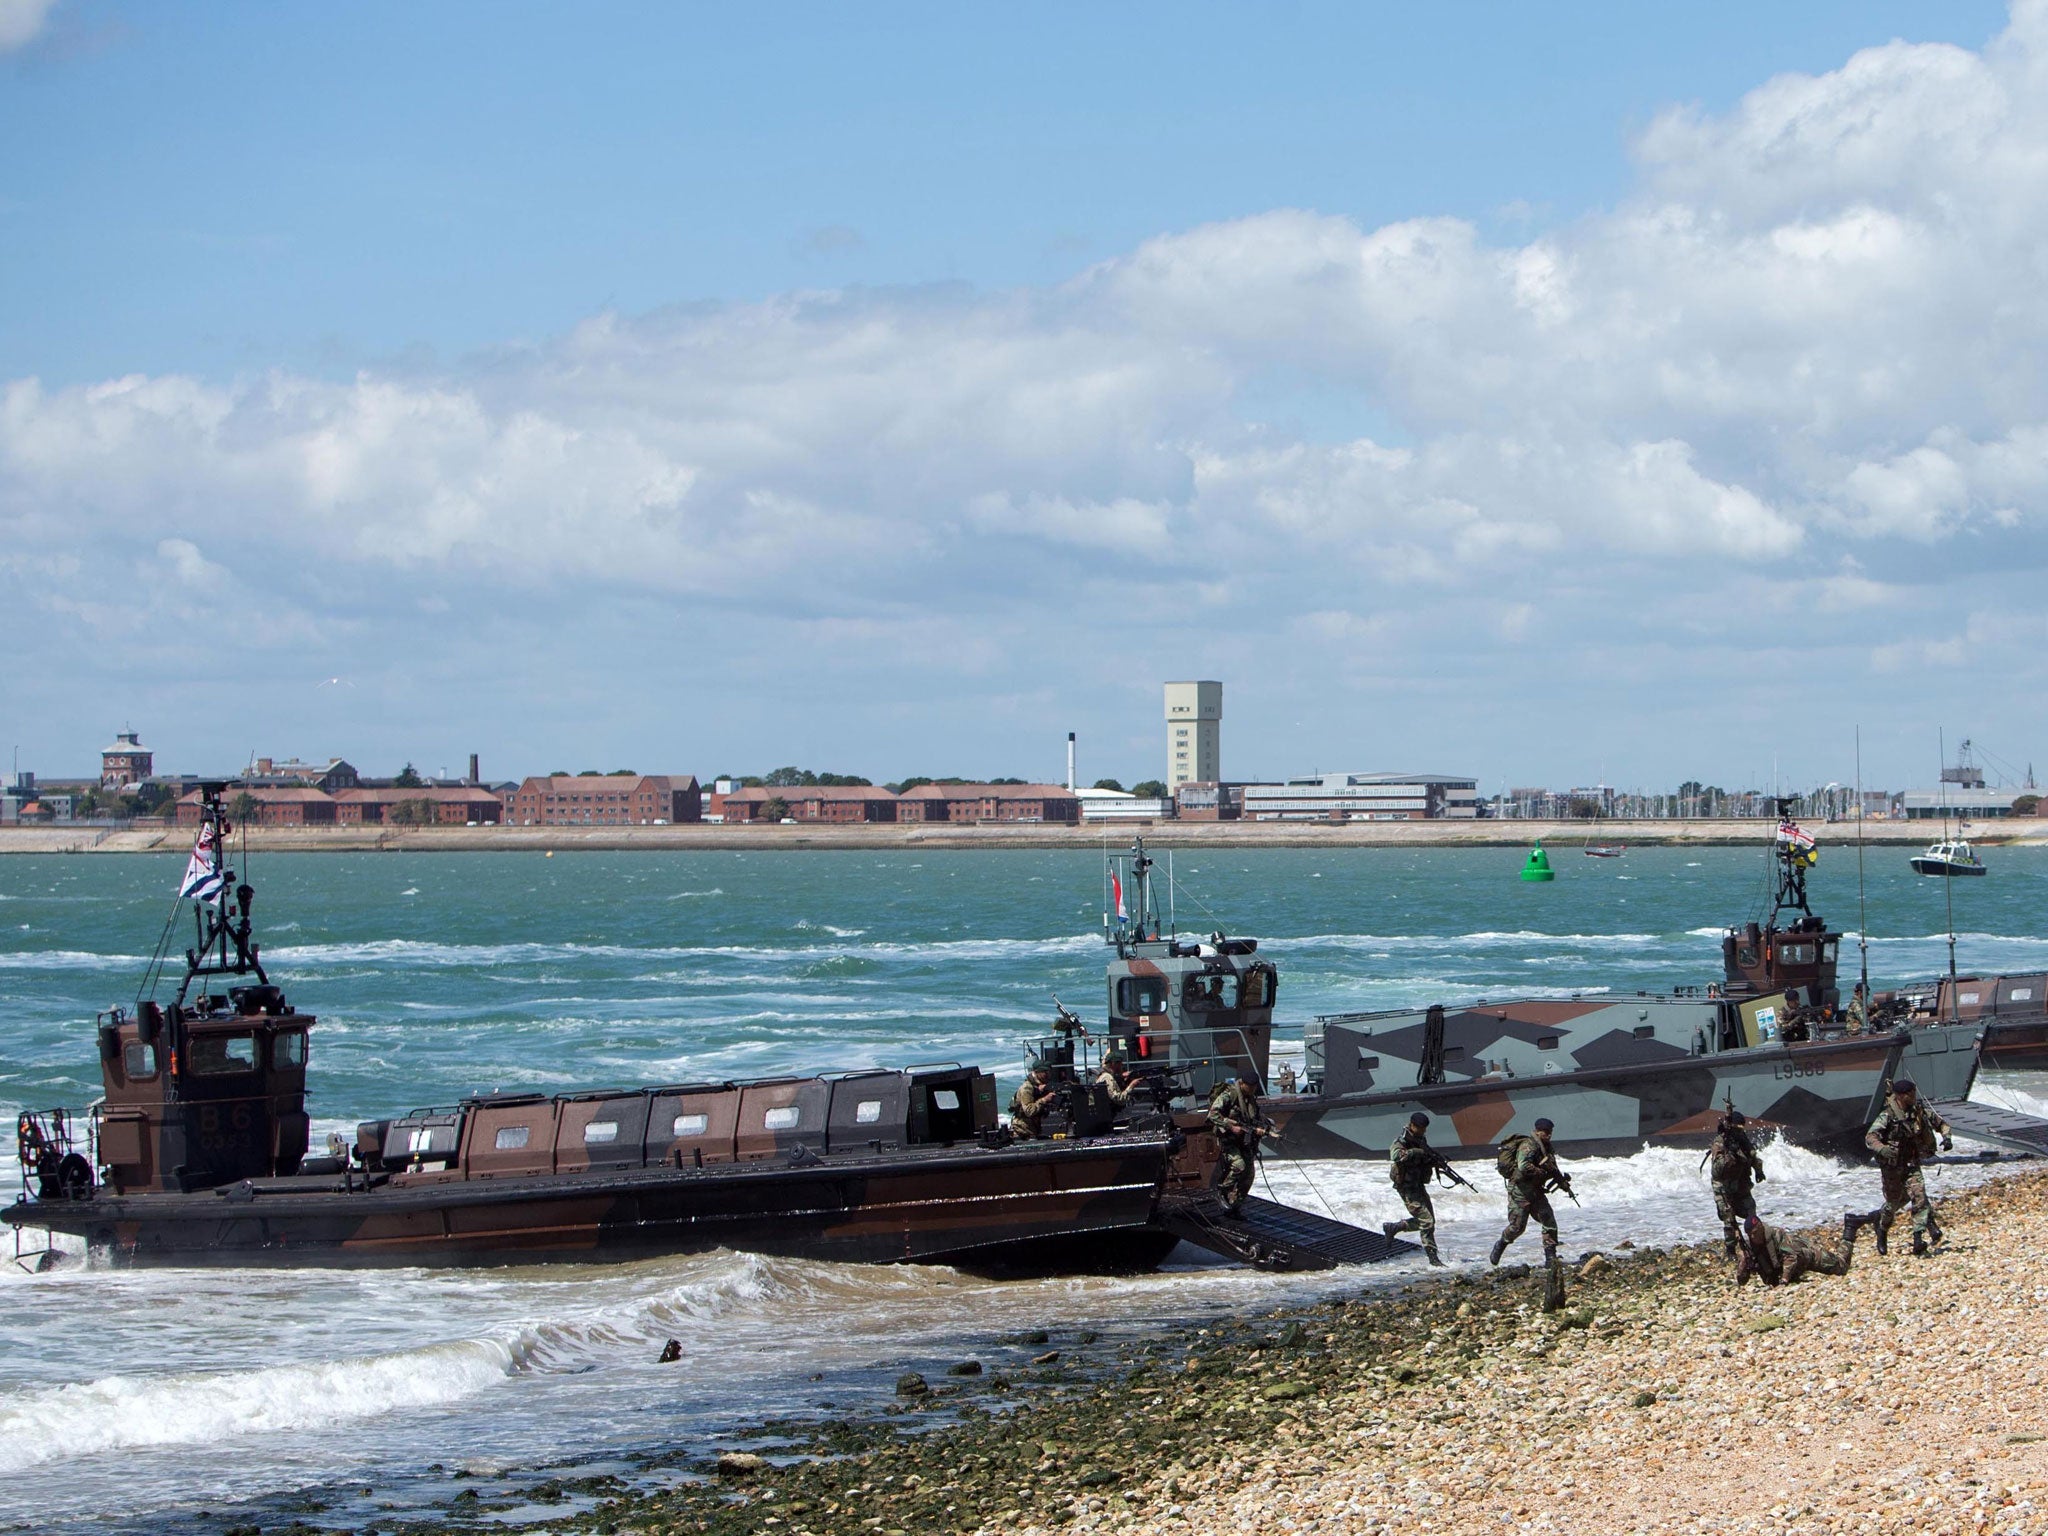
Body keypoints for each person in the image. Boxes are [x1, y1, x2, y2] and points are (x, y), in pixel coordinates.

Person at [1857, 1076, 1953, 1256]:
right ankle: (1882, 1230)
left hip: (1911, 1163)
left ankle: (1918, 1238)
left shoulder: (1918, 1112)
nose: (1914, 1096)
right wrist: (1884, 1150)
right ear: (1901, 1096)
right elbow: (1870, 1137)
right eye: (1910, 1094)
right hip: (1892, 1167)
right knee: (1893, 1203)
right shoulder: (1888, 1116)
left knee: (1920, 1197)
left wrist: (1946, 1138)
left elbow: (1942, 1124)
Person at [1491, 1117, 1570, 1268]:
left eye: (1550, 1132)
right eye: (1546, 1132)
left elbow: (1552, 1166)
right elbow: (1523, 1166)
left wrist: (1561, 1182)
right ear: (1538, 1131)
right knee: (1517, 1227)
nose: (1549, 1135)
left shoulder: (1546, 1147)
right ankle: (1501, 1244)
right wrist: (1541, 1172)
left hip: (1536, 1192)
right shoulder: (1529, 1145)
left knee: (1549, 1221)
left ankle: (1550, 1257)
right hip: (1520, 1192)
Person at [1383, 1111, 1445, 1266]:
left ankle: (1395, 1227)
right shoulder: (1401, 1141)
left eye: (1424, 1129)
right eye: (1420, 1128)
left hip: (1418, 1185)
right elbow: (1396, 1156)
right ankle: (1433, 1259)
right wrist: (1415, 1152)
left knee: (1429, 1220)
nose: (1423, 1131)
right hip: (1406, 1187)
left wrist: (1433, 1161)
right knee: (1427, 1221)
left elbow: (1423, 1157)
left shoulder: (1420, 1140)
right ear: (1412, 1125)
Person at [1706, 1108, 1767, 1258]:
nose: (1740, 1131)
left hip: (1740, 1183)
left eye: (1742, 1128)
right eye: (1737, 1128)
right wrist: (1730, 1155)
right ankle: (1731, 1251)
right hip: (1723, 1187)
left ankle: (1756, 1243)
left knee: (1750, 1210)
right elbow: (1717, 1171)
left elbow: (1753, 1156)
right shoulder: (1720, 1143)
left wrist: (1759, 1171)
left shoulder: (1742, 1140)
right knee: (1729, 1219)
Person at [1736, 1214, 1856, 1287]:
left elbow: (1791, 1257)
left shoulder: (1777, 1235)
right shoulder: (1750, 1248)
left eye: (1755, 1233)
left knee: (1841, 1266)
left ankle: (1850, 1229)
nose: (1753, 1237)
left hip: (1807, 1255)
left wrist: (1784, 1281)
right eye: (1750, 1235)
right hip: (1794, 1269)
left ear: (1761, 1227)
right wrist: (1742, 1265)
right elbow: (1742, 1282)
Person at [1207, 1071, 1265, 1217]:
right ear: (1242, 1084)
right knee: (1239, 1165)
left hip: (1243, 1140)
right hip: (1228, 1139)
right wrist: (1231, 1126)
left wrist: (1261, 1129)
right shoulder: (1229, 1094)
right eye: (1249, 1086)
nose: (1252, 1090)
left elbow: (1253, 1118)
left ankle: (1235, 1206)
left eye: (1254, 1087)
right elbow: (1212, 1114)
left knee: (1249, 1175)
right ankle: (1222, 1190)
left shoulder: (1250, 1099)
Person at [1009, 1064, 1058, 1140]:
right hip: (1022, 1131)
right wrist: (1044, 1099)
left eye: (1049, 1072)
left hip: (1033, 1129)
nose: (1048, 1075)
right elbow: (1029, 1111)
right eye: (1045, 1072)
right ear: (1037, 1072)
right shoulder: (1027, 1088)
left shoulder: (1038, 1087)